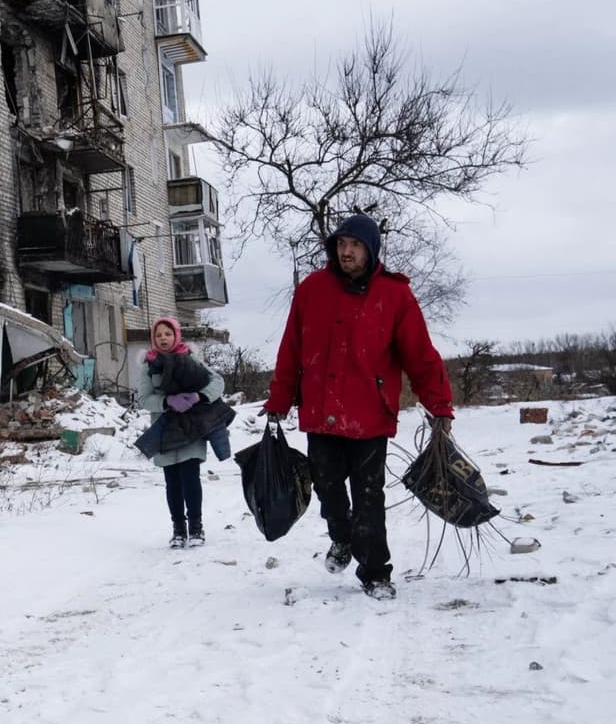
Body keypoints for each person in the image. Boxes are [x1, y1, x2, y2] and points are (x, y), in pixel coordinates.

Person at [264, 213, 453, 601]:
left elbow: (420, 354)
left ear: (370, 249)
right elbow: (291, 350)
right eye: (340, 244)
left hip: (369, 412)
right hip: (320, 410)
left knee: (369, 495)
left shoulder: (394, 295)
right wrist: (279, 400)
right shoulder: (312, 289)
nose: (346, 251)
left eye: (354, 245)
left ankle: (376, 574)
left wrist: (438, 404)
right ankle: (342, 539)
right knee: (327, 488)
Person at [135, 317, 227, 549]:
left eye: (167, 333)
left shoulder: (190, 358)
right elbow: (144, 399)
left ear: (176, 335)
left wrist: (199, 396)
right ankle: (178, 529)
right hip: (164, 429)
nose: (163, 338)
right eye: (158, 335)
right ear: (153, 339)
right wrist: (167, 401)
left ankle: (196, 527)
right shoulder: (149, 365)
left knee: (190, 478)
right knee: (172, 482)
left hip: (190, 427)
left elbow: (217, 382)